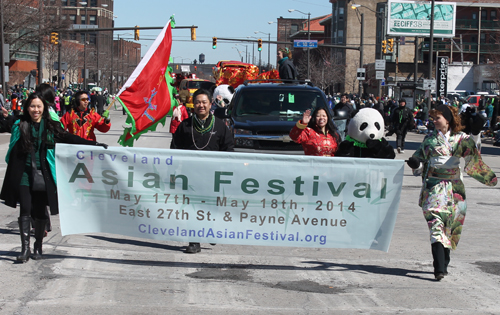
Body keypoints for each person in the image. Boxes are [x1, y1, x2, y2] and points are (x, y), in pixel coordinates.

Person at [0, 92, 107, 263]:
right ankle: (25, 249)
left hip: (44, 173)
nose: (35, 110)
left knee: (41, 209)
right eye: (32, 106)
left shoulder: (50, 126)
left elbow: (67, 137)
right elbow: (3, 125)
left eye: (39, 107)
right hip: (23, 173)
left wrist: (93, 144)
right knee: (25, 209)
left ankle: (38, 246)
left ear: (44, 109)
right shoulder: (19, 123)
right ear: (27, 107)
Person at [407, 105, 497, 280]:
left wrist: (476, 133)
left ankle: (444, 261)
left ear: (447, 119)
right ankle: (438, 268)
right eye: (433, 118)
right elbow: (420, 159)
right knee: (435, 225)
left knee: (450, 228)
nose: (433, 121)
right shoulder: (430, 140)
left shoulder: (460, 139)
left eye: (437, 118)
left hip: (454, 188)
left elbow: (473, 154)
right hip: (434, 186)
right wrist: (415, 163)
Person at [171, 89, 234, 254]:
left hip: (213, 176)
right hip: (190, 176)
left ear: (210, 104)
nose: (201, 105)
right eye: (198, 102)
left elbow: (228, 148)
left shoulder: (220, 126)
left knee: (212, 206)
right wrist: (173, 172)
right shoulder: (185, 126)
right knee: (192, 207)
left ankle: (210, 228)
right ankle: (194, 241)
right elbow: (174, 150)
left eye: (204, 102)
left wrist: (225, 170)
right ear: (193, 104)